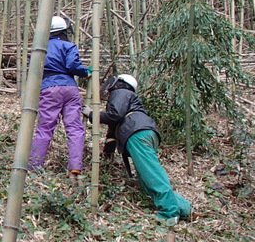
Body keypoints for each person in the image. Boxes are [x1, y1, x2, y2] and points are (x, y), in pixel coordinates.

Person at [82, 74, 192, 224]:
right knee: (147, 178)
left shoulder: (121, 92)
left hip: (137, 132)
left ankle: (170, 213)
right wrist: (107, 154)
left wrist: (91, 114)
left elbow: (114, 116)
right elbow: (112, 132)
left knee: (152, 174)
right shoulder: (126, 100)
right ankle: (183, 207)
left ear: (120, 83)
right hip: (141, 132)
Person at [29, 15, 91, 182]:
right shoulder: (69, 46)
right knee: (75, 128)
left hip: (49, 88)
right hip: (70, 89)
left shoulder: (40, 48)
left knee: (45, 128)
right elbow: (73, 65)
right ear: (63, 31)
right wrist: (86, 72)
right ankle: (75, 167)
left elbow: (33, 68)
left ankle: (33, 168)